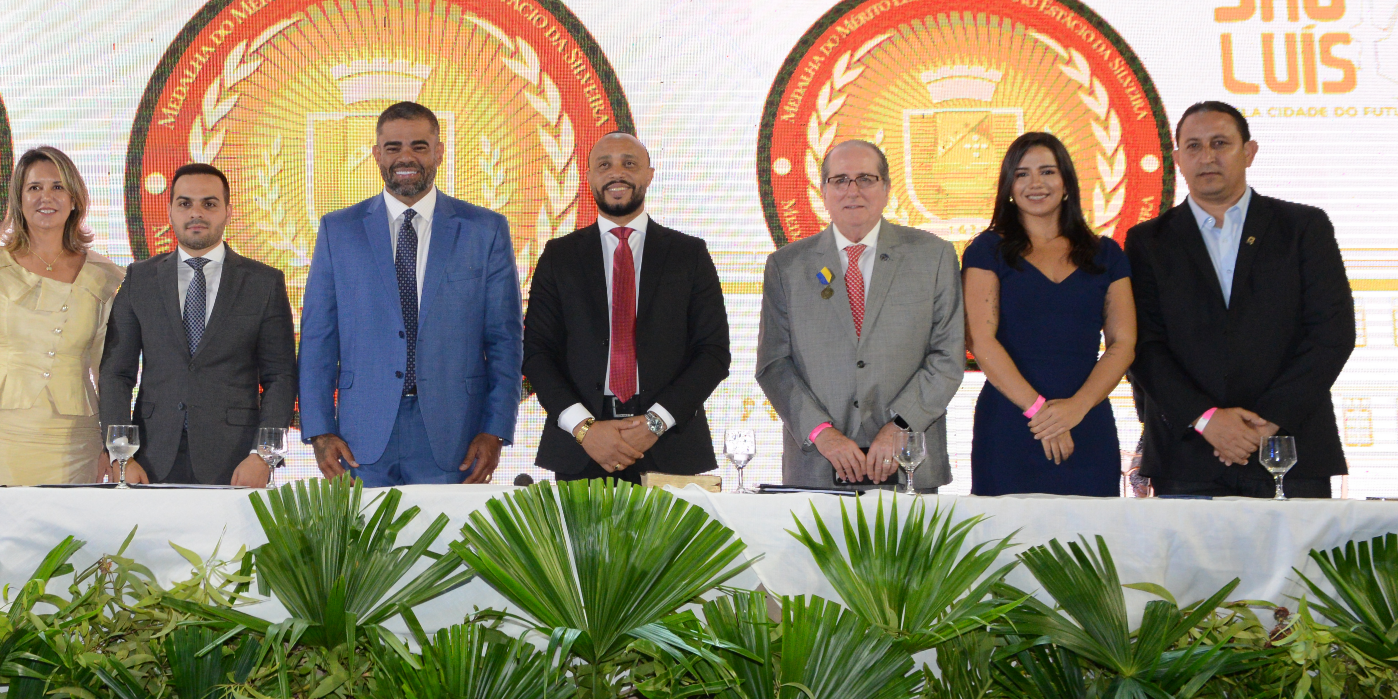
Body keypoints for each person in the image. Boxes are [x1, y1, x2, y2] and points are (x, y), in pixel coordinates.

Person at [1125, 101, 1355, 497]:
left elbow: (1332, 333)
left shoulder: (1302, 227)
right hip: (1187, 458)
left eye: (1220, 143)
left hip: (1286, 450)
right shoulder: (1147, 241)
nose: (1207, 157)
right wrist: (1207, 419)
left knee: (1297, 564)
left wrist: (1266, 421)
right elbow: (1143, 344)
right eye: (1194, 147)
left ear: (1248, 152)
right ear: (1178, 159)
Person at [299, 100, 523, 485]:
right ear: (376, 155)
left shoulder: (485, 230)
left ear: (438, 152)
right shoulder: (339, 230)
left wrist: (496, 429)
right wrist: (319, 431)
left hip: (457, 435)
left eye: (419, 146)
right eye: (393, 147)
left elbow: (505, 339)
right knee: (360, 546)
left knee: (450, 546)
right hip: (359, 438)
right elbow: (319, 338)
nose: (406, 157)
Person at [756, 139, 965, 490]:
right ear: (822, 191)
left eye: (865, 179)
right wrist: (823, 435)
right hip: (817, 467)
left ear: (886, 189)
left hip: (908, 464)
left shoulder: (934, 256)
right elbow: (774, 365)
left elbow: (948, 358)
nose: (852, 190)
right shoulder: (786, 266)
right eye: (840, 180)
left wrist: (901, 425)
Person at [522, 133, 729, 481]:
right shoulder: (559, 256)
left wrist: (655, 423)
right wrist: (585, 429)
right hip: (583, 449)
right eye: (604, 164)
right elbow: (537, 353)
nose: (617, 173)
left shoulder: (688, 254)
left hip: (671, 446)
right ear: (588, 177)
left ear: (649, 174)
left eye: (629, 163)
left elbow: (713, 353)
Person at [96, 163, 297, 486]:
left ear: (228, 211)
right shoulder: (140, 279)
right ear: (171, 211)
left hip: (237, 459)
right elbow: (116, 373)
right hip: (149, 457)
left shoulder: (263, 283)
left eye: (209, 203)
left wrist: (263, 455)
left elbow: (280, 377)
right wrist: (122, 455)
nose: (196, 213)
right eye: (185, 203)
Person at [962, 132, 1136, 496]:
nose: (1035, 183)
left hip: (1087, 421)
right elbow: (979, 339)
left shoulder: (1106, 254)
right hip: (1011, 423)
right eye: (1022, 174)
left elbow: (1124, 343)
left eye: (1047, 172)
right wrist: (1040, 413)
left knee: (1092, 545)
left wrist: (1077, 408)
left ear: (1067, 182)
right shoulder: (986, 249)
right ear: (1009, 185)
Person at [0, 147, 125, 486]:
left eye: (58, 187)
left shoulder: (101, 275)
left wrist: (111, 446)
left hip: (77, 440)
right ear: (19, 200)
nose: (46, 197)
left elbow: (109, 373)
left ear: (75, 199)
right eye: (34, 188)